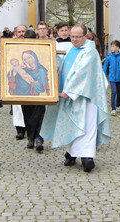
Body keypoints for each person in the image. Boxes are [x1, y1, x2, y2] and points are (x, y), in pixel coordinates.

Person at [40, 24, 111, 172]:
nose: (74, 40)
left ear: (86, 36)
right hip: (68, 96)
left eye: (78, 37)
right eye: (72, 36)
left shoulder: (90, 52)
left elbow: (82, 73)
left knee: (85, 126)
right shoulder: (71, 49)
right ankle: (70, 154)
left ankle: (87, 157)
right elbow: (62, 67)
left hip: (85, 98)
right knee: (70, 124)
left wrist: (70, 91)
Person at [103, 40, 120, 116]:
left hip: (119, 78)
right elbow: (105, 68)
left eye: (113, 46)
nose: (112, 48)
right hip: (111, 78)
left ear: (118, 48)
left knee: (119, 93)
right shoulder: (109, 57)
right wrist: (103, 76)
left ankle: (117, 105)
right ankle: (113, 108)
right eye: (111, 46)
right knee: (114, 92)